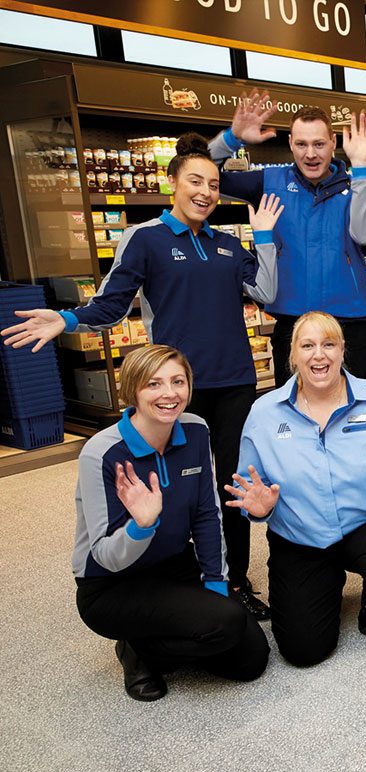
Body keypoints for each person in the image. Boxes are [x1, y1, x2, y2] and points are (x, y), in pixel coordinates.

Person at [4, 132, 282, 621]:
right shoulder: (145, 238)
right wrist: (66, 319)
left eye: (214, 184)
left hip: (235, 381)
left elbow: (267, 293)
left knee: (231, 486)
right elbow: (113, 304)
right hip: (172, 391)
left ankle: (233, 579)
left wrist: (261, 239)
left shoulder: (224, 244)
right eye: (195, 181)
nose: (205, 191)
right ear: (171, 182)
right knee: (170, 485)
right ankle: (167, 576)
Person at [230, 311, 366, 667]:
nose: (320, 355)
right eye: (309, 346)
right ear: (293, 355)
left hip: (364, 525)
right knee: (303, 653)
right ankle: (324, 582)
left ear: (342, 350)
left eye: (329, 344)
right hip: (300, 536)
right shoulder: (263, 413)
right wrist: (259, 510)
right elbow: (249, 487)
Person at [72, 345, 269, 701]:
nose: (169, 394)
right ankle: (137, 650)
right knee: (224, 623)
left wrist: (215, 584)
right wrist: (141, 526)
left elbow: (207, 515)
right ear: (132, 390)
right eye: (154, 384)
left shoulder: (195, 430)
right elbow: (104, 555)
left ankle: (151, 642)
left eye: (178, 382)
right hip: (112, 585)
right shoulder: (101, 452)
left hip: (174, 566)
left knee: (251, 659)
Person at [208, 90, 366, 382]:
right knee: (293, 415)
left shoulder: (356, 185)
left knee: (360, 414)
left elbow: (365, 235)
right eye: (301, 144)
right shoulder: (269, 182)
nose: (310, 154)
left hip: (351, 323)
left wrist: (362, 167)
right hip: (292, 323)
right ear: (290, 143)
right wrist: (231, 138)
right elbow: (198, 174)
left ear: (333, 143)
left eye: (318, 144)